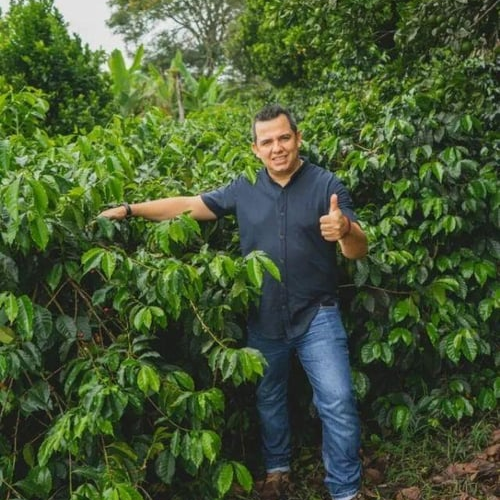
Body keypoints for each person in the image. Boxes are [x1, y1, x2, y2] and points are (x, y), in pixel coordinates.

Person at [99, 104, 368, 500]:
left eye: (284, 138)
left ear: (298, 138)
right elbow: (188, 205)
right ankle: (278, 471)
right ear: (255, 148)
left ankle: (345, 490)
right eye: (267, 141)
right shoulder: (243, 188)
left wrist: (344, 229)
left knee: (338, 400)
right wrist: (130, 209)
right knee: (269, 398)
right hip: (263, 318)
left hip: (317, 316)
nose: (277, 148)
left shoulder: (326, 184)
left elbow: (357, 250)